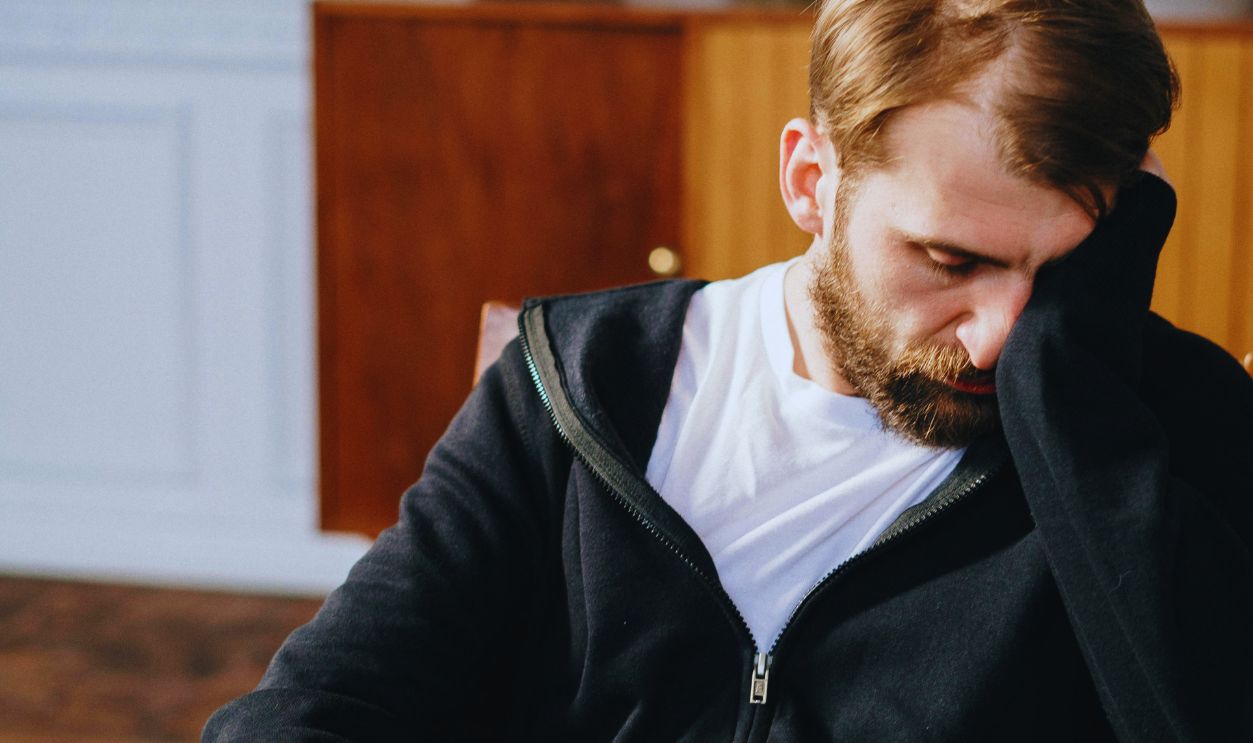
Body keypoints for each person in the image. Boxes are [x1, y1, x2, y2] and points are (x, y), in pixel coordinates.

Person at [205, 0, 1253, 740]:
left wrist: (1078, 401)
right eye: (948, 259)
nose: (990, 340)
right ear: (810, 178)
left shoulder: (1164, 425)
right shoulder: (581, 384)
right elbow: (323, 706)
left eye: (1063, 273)